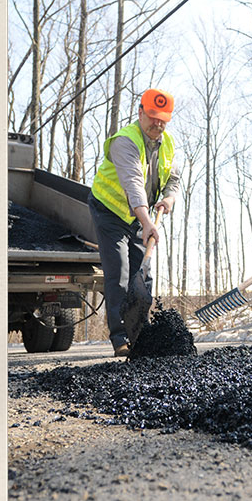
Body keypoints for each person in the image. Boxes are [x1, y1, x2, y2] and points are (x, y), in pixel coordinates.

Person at [88, 88, 180, 356]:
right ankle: (120, 338)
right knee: (119, 272)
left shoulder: (168, 143)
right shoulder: (125, 142)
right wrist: (148, 221)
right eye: (152, 116)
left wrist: (169, 199)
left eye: (163, 118)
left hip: (141, 216)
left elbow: (173, 179)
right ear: (140, 112)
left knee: (144, 272)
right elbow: (133, 186)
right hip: (110, 210)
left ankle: (139, 333)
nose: (157, 123)